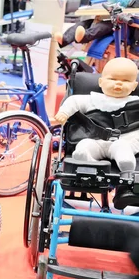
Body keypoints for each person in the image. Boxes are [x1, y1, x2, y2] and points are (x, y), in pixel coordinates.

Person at [55, 57, 139, 208]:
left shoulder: (135, 102)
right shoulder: (91, 99)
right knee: (83, 147)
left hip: (123, 141)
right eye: (113, 79)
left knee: (124, 153)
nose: (118, 83)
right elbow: (72, 102)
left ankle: (125, 187)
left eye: (126, 81)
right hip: (94, 139)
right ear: (100, 82)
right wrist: (64, 112)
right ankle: (90, 168)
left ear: (134, 86)